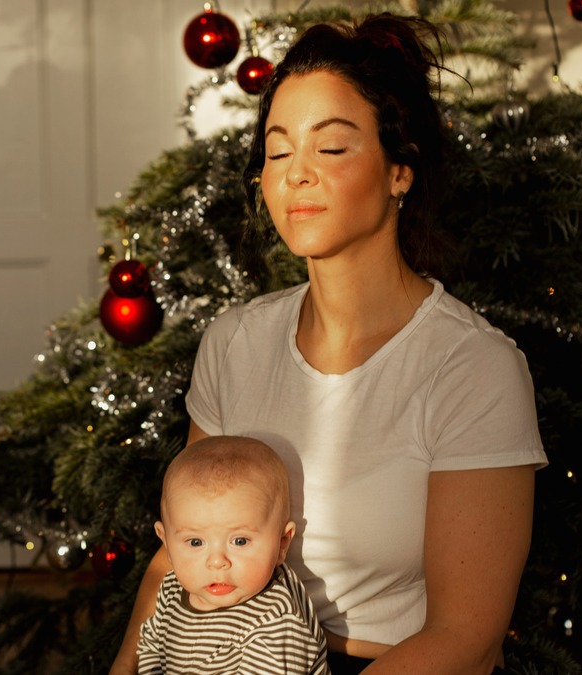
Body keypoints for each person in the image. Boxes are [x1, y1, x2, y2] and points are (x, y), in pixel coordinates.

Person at [112, 12, 547, 675]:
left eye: (332, 147)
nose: (296, 174)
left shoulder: (473, 368)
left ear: (401, 170)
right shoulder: (235, 343)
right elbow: (175, 562)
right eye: (278, 150)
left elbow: (467, 638)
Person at [136, 435, 330, 674]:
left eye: (239, 541)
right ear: (166, 542)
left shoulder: (276, 623)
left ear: (282, 543)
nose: (217, 561)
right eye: (195, 542)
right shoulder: (171, 590)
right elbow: (151, 647)